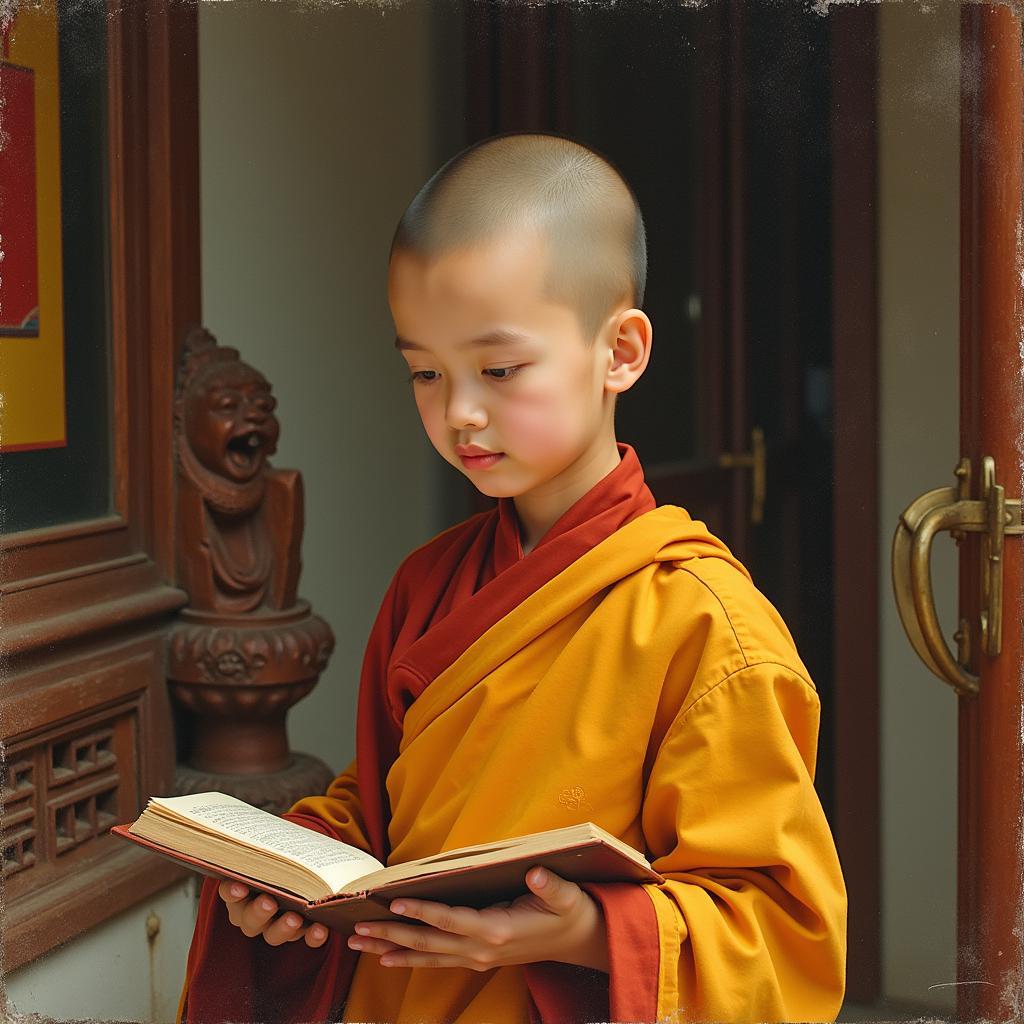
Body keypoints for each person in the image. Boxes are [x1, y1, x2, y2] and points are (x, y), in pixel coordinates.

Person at [179, 131, 847, 1024]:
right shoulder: (428, 585)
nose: (459, 412)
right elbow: (386, 810)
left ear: (621, 352)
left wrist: (578, 933)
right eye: (424, 372)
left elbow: (781, 933)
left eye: (499, 369)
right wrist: (299, 869)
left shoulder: (703, 625)